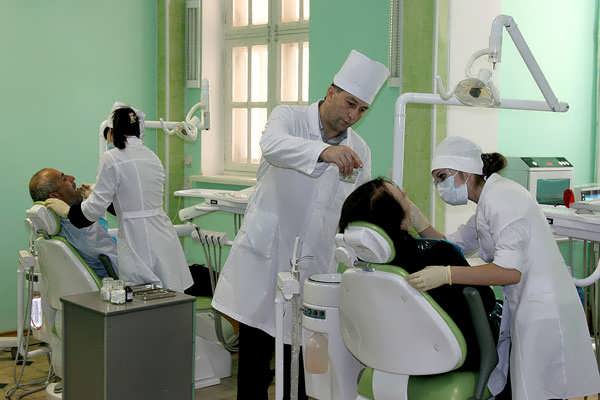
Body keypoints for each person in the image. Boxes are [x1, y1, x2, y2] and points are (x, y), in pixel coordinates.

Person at [211, 50, 390, 400]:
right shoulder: (289, 118)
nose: (353, 115)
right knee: (255, 361)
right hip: (266, 259)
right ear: (331, 91)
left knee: (303, 364)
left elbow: (356, 210)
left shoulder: (360, 150)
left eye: (362, 110)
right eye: (350, 103)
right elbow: (271, 145)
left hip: (313, 265)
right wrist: (323, 152)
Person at [405, 136, 600, 400]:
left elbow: (508, 272)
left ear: (464, 172)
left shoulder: (503, 197)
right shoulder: (487, 202)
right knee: (531, 388)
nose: (440, 187)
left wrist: (446, 275)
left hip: (545, 309)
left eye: (442, 177)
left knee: (544, 390)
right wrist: (418, 220)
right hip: (526, 305)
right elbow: (452, 246)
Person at [338, 177, 497, 371]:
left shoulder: (363, 270)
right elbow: (487, 300)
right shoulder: (440, 254)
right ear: (401, 220)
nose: (408, 197)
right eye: (403, 196)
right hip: (453, 358)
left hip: (391, 356)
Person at [45, 103, 193, 293]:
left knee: (144, 300)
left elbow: (90, 215)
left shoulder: (111, 158)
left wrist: (68, 212)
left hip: (139, 240)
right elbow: (133, 205)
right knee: (170, 298)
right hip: (163, 236)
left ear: (111, 132)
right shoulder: (151, 156)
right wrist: (97, 195)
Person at [29, 168, 118, 279]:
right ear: (55, 196)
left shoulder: (63, 229)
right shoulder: (83, 231)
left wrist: (95, 201)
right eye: (64, 179)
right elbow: (121, 267)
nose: (72, 178)